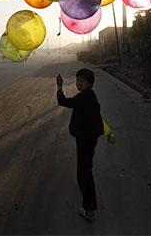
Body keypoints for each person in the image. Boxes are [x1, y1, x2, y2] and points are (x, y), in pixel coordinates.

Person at [56, 68, 104, 221]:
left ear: (89, 83)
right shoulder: (90, 96)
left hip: (86, 137)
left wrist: (59, 87)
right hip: (89, 136)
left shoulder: (84, 97)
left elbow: (63, 101)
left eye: (82, 81)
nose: (78, 83)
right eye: (77, 80)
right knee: (85, 164)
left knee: (85, 171)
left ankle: (89, 209)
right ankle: (82, 184)